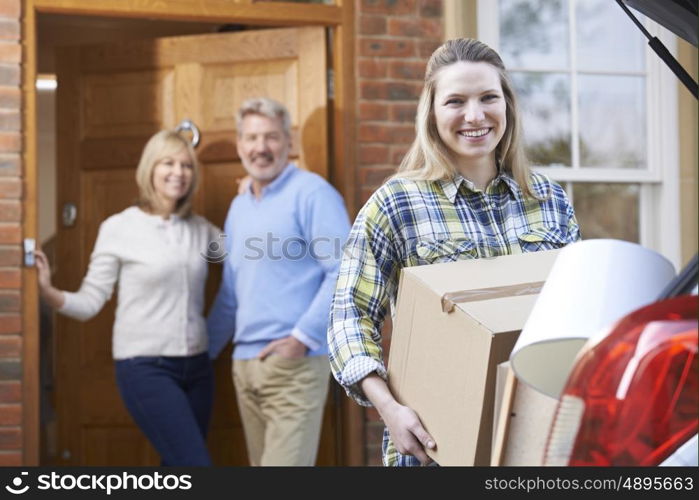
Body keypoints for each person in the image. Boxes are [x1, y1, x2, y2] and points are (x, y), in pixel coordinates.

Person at [327, 38, 581, 467]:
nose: (475, 115)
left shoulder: (549, 200)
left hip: (538, 439)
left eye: (488, 98)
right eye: (456, 101)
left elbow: (577, 311)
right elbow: (347, 316)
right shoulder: (398, 204)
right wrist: (389, 409)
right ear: (432, 112)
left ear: (507, 106)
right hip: (434, 447)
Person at [35, 130, 219, 466]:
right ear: (150, 168)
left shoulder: (202, 230)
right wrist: (49, 292)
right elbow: (91, 301)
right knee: (195, 465)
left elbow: (248, 261)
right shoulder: (119, 228)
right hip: (146, 368)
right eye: (168, 163)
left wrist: (255, 197)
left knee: (177, 467)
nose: (178, 172)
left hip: (199, 368)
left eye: (186, 165)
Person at [207, 97, 350, 466]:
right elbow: (230, 292)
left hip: (294, 366)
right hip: (244, 365)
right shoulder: (239, 207)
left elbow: (344, 270)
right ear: (239, 145)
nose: (260, 148)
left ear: (289, 142)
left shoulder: (312, 193)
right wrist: (202, 353)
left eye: (271, 137)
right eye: (252, 138)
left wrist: (302, 339)